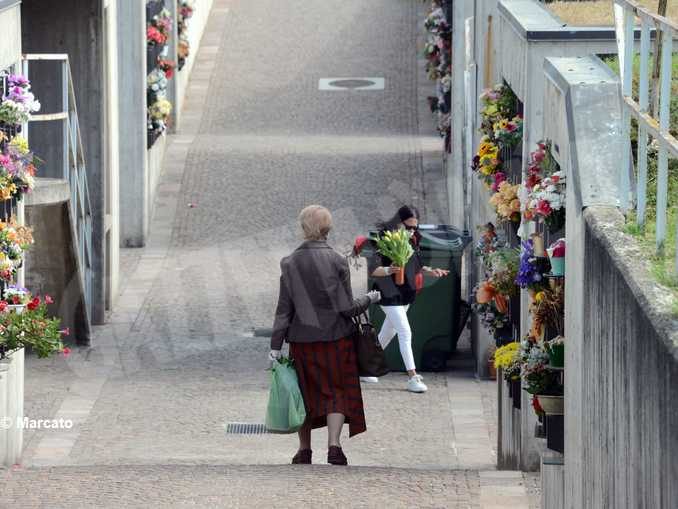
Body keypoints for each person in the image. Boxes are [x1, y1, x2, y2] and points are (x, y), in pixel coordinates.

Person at [269, 205, 381, 466]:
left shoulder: (290, 262)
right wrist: (369, 299)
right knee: (336, 392)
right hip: (336, 339)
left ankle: (304, 450)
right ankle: (334, 447)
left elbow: (283, 309)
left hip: (302, 341)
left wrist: (275, 347)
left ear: (303, 227)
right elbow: (346, 308)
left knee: (304, 392)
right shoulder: (337, 261)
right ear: (327, 228)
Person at [365, 205, 449, 393]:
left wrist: (432, 271)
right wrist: (389, 270)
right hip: (388, 293)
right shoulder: (383, 241)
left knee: (388, 333)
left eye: (414, 228)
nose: (412, 231)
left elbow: (416, 266)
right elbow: (373, 270)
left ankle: (364, 367)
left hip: (406, 294)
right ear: (398, 223)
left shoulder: (412, 240)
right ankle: (413, 377)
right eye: (408, 226)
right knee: (405, 332)